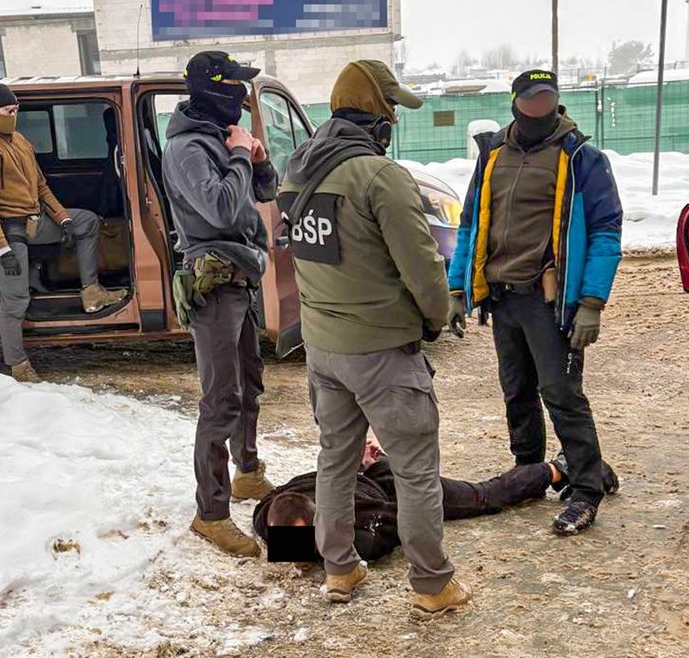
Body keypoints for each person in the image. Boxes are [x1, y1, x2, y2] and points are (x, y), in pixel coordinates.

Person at [277, 60, 470, 620]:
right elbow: (424, 271)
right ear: (379, 117)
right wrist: (436, 317)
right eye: (392, 111)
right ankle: (432, 585)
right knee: (414, 470)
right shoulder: (380, 177)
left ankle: (339, 568)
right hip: (383, 350)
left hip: (323, 349)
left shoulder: (299, 169)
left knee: (336, 461)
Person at [447, 69, 623, 536]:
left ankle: (586, 489)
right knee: (517, 393)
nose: (539, 106)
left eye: (548, 97)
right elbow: (469, 225)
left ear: (557, 101)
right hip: (502, 298)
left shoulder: (582, 157)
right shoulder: (493, 155)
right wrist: (457, 287)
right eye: (531, 98)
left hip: (550, 302)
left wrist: (592, 301)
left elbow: (606, 231)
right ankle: (529, 471)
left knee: (562, 395)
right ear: (515, 103)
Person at [162, 51, 278, 558]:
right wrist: (235, 155)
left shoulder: (219, 140)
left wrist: (257, 159)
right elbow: (223, 209)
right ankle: (210, 513)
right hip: (213, 286)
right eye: (237, 85)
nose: (245, 95)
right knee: (219, 401)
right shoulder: (188, 148)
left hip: (242, 277)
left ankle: (247, 473)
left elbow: (264, 191)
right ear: (215, 89)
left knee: (250, 383)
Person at [0, 83, 123, 383]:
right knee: (15, 300)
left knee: (86, 221)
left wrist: (62, 219)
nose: (13, 115)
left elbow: (41, 186)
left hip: (36, 222)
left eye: (16, 110)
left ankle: (92, 292)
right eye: (7, 111)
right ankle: (19, 365)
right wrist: (2, 249)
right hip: (9, 232)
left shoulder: (20, 141)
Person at [254, 437, 573, 566]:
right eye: (287, 546)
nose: (294, 558)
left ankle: (560, 469)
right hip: (348, 478)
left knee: (483, 497)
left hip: (389, 487)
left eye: (302, 545)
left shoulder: (363, 535)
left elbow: (404, 518)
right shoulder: (268, 517)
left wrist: (376, 466)